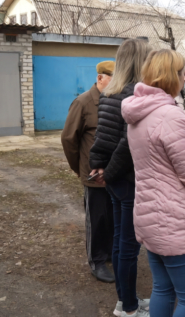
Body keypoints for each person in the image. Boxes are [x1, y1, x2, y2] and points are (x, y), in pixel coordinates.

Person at [121, 49, 185, 317]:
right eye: (183, 72)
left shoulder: (138, 115)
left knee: (162, 289)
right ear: (171, 76)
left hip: (150, 217)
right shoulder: (171, 116)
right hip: (176, 222)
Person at [89, 39, 152, 317]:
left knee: (118, 241)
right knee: (128, 247)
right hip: (127, 180)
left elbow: (102, 138)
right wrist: (110, 172)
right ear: (141, 61)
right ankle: (128, 308)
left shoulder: (110, 92)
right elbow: (127, 144)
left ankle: (125, 300)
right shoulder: (134, 96)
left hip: (116, 180)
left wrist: (99, 166)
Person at [61, 61, 115, 283]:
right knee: (96, 218)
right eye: (113, 78)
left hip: (114, 172)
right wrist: (80, 169)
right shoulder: (83, 102)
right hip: (93, 175)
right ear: (100, 78)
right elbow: (69, 139)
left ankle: (110, 253)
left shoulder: (115, 101)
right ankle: (97, 261)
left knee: (113, 216)